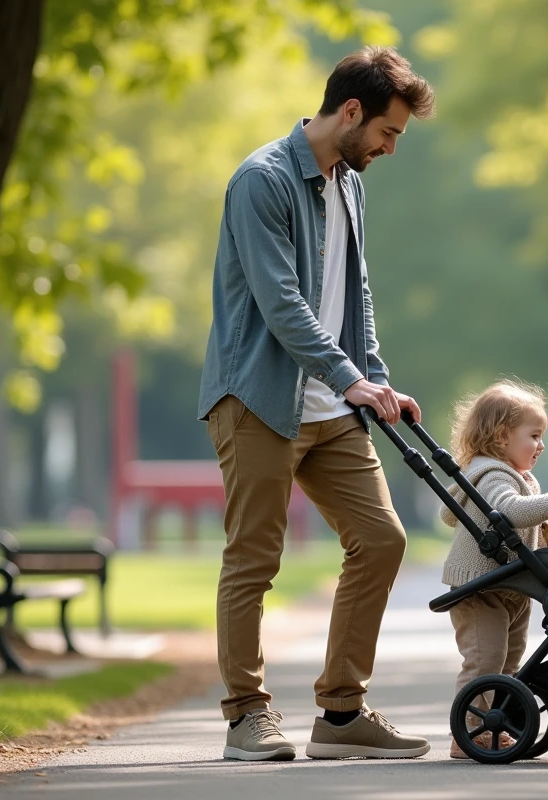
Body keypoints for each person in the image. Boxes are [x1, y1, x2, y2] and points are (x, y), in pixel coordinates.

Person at [197, 46, 435, 762]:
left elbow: (352, 292)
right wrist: (345, 373)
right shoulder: (261, 181)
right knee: (254, 558)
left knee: (383, 540)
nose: (391, 149)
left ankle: (339, 712)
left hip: (334, 405)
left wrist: (374, 376)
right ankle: (245, 715)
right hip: (260, 397)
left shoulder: (350, 183)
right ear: (352, 111)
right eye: (389, 133)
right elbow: (281, 303)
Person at [439, 379, 548, 759]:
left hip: (512, 586)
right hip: (481, 588)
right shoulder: (494, 474)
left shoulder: (522, 477)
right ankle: (468, 734)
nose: (541, 445)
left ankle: (499, 721)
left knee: (510, 663)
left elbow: (531, 529)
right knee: (484, 661)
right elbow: (506, 510)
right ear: (501, 435)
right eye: (535, 435)